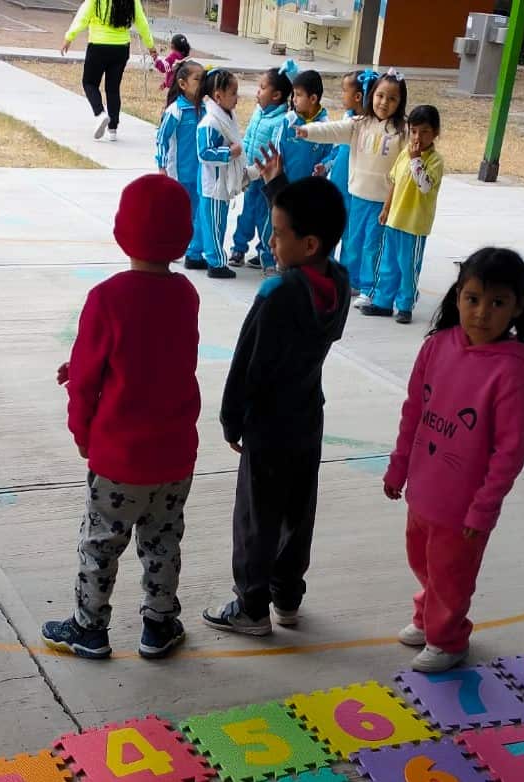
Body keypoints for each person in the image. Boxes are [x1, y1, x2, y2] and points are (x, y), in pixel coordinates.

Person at [42, 174, 200, 660]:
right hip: (173, 457)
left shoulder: (107, 297)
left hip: (118, 457)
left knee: (100, 544)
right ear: (184, 235)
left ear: (121, 230)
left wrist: (82, 432)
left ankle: (89, 629)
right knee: (162, 543)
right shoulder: (186, 295)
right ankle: (158, 625)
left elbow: (90, 379)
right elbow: (157, 357)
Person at [202, 148, 349, 636]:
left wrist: (230, 418)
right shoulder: (340, 283)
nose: (269, 238)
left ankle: (250, 605)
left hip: (268, 423)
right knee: (296, 509)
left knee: (256, 516)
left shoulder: (276, 295)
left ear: (307, 243)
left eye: (277, 232)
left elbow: (247, 364)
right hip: (308, 417)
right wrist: (276, 184)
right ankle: (287, 596)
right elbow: (303, 223)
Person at [383, 248, 524, 672]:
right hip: (423, 490)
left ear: (518, 306)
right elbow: (413, 412)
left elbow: (510, 453)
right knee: (422, 561)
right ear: (457, 297)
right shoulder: (437, 347)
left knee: (452, 575)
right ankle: (428, 614)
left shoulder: (514, 376)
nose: (481, 313)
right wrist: (399, 466)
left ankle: (450, 637)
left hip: (464, 508)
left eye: (497, 303)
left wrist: (484, 507)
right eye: (472, 298)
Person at [296, 70, 406, 302]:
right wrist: (308, 131)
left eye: (392, 98)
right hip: (358, 196)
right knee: (353, 242)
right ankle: (348, 281)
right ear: (371, 96)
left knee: (372, 246)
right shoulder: (358, 124)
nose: (384, 103)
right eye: (380, 96)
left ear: (400, 102)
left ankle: (369, 288)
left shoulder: (401, 132)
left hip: (381, 201)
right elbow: (333, 129)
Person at [361, 105, 444, 325]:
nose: (418, 137)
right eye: (414, 131)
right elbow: (395, 183)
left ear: (435, 133)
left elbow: (424, 186)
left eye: (425, 131)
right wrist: (386, 208)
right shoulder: (404, 155)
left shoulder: (434, 161)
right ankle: (383, 301)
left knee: (408, 266)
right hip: (395, 220)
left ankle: (405, 305)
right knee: (387, 263)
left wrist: (417, 158)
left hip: (414, 225)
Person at [228, 62, 295, 272]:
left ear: (276, 95)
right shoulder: (258, 112)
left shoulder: (282, 120)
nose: (258, 92)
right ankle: (238, 248)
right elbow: (247, 138)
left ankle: (265, 252)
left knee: (265, 216)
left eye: (262, 87)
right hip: (250, 174)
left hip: (266, 177)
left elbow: (277, 150)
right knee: (247, 212)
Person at [62, 0, 157, 142]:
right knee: (113, 89)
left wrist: (69, 37)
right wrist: (151, 46)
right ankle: (113, 129)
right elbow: (141, 22)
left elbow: (82, 17)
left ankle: (100, 114)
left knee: (89, 83)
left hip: (98, 46)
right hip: (121, 48)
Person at [195, 68, 247, 280]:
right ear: (218, 96)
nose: (237, 98)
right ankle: (216, 262)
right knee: (215, 224)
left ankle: (195, 254)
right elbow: (204, 153)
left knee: (208, 222)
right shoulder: (210, 123)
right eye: (233, 93)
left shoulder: (226, 117)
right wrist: (229, 153)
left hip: (217, 183)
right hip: (214, 184)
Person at [314, 71, 370, 264]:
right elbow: (337, 150)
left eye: (344, 91)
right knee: (329, 228)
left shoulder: (368, 127)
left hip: (355, 190)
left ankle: (349, 274)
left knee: (352, 235)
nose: (341, 95)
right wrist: (326, 165)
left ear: (357, 97)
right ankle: (324, 266)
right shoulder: (347, 119)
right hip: (337, 186)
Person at [156, 60, 207, 268]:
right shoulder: (175, 111)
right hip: (178, 173)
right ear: (183, 84)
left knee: (195, 212)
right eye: (197, 79)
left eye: (204, 79)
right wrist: (162, 167)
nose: (202, 83)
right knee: (177, 213)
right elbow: (162, 139)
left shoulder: (207, 109)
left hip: (200, 173)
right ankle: (169, 246)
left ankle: (191, 248)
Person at [278, 69, 331, 191]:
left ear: (313, 99)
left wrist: (323, 166)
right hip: (286, 187)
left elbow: (331, 155)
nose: (294, 99)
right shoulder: (289, 120)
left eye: (298, 95)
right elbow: (277, 149)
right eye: (293, 94)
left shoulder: (326, 126)